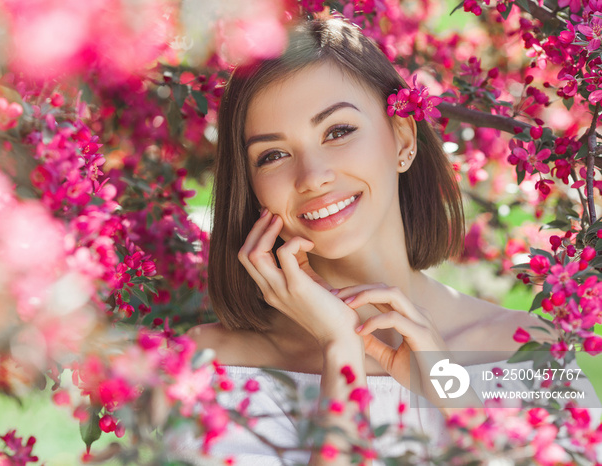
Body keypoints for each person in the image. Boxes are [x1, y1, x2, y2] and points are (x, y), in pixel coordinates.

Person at [180, 16, 598, 466]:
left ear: (402, 139)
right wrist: (340, 350)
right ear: (251, 186)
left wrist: (445, 382)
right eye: (273, 155)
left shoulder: (523, 347)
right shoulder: (212, 369)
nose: (313, 177)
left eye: (338, 131)